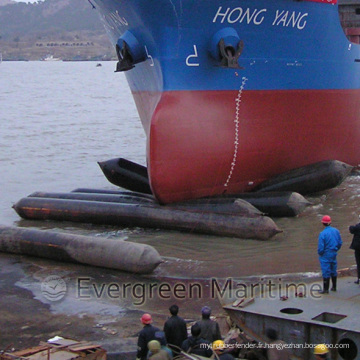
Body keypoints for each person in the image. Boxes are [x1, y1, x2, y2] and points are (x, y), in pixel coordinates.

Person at [318, 215, 342, 294]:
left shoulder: (322, 234)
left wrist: (320, 253)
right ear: (330, 222)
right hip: (333, 253)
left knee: (326, 271)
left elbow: (321, 247)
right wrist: (335, 249)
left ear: (322, 223)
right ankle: (334, 287)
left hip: (325, 254)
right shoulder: (336, 231)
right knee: (333, 269)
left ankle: (325, 289)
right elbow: (339, 243)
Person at [349, 215, 360, 284]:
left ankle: (359, 278)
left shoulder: (357, 227)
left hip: (358, 248)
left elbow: (351, 229)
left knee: (359, 263)